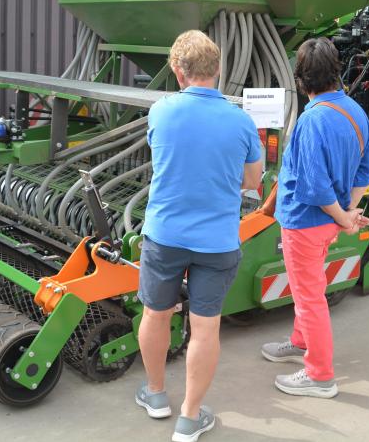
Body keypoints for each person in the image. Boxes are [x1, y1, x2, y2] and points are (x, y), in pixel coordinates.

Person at [135, 30, 263, 442]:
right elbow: (252, 181)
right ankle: (189, 418)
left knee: (156, 313)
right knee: (205, 327)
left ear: (178, 71)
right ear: (218, 70)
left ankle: (156, 395)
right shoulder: (242, 121)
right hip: (217, 241)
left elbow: (161, 155)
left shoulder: (162, 112)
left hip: (166, 234)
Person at [260, 37, 369, 398]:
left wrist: (342, 216)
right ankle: (299, 342)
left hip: (306, 222)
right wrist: (349, 212)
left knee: (310, 297)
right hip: (325, 224)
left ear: (301, 80)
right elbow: (364, 170)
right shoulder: (355, 111)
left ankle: (320, 376)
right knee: (308, 289)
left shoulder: (312, 120)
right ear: (336, 72)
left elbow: (315, 187)